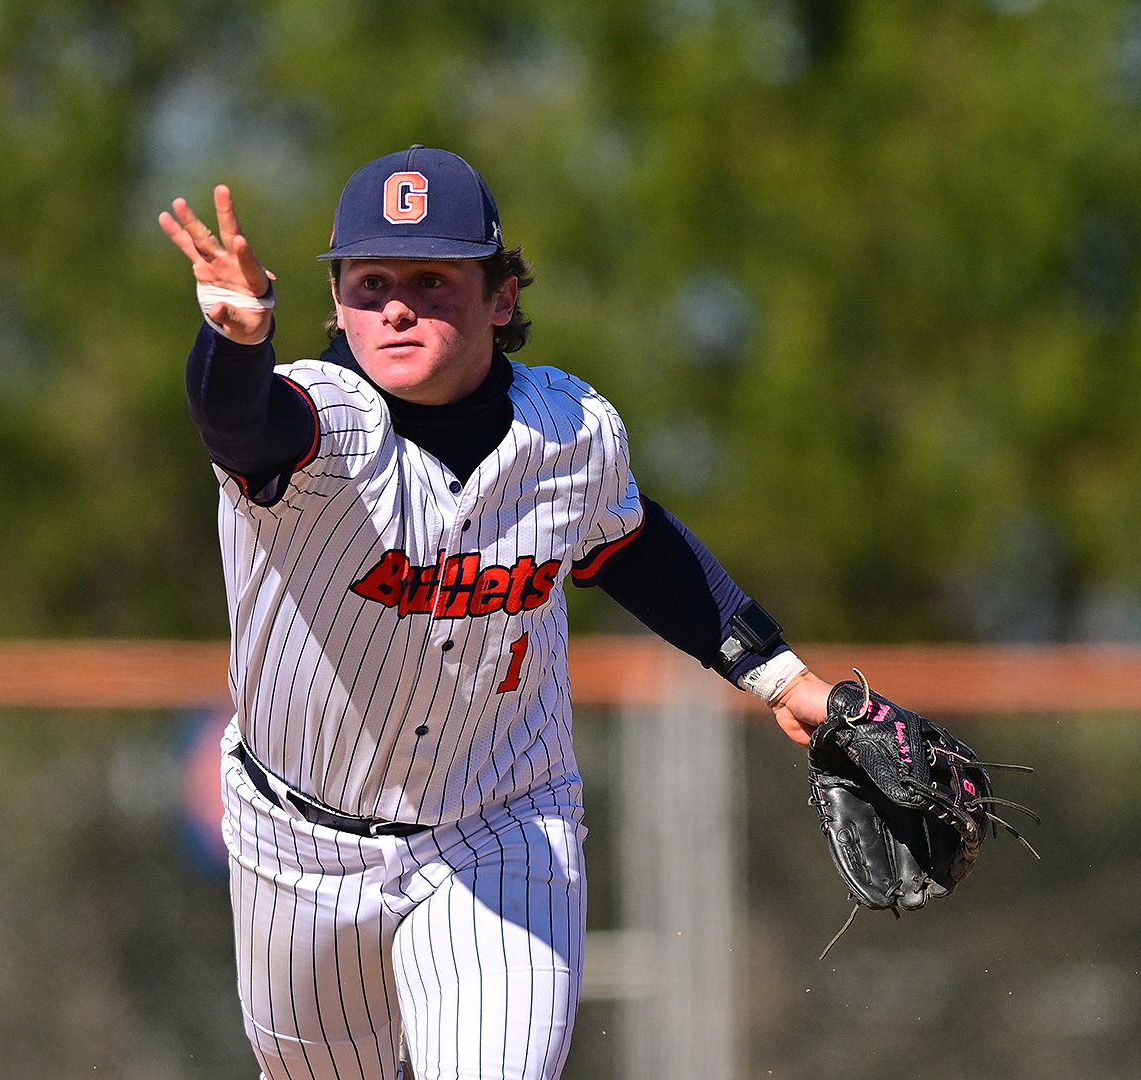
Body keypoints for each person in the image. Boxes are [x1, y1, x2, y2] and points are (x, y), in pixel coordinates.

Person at [159, 146, 835, 1080]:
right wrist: (236, 337)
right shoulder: (320, 423)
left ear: (501, 295)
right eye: (371, 281)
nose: (397, 305)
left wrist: (780, 677)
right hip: (297, 845)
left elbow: (632, 546)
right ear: (338, 301)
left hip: (498, 828)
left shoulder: (570, 433)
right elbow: (239, 425)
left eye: (433, 278)